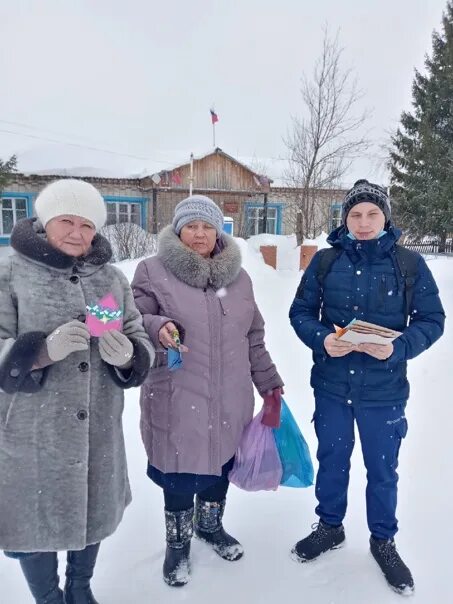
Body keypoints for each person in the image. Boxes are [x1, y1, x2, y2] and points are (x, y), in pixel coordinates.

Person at [0, 178, 154, 604]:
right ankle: (49, 598)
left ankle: (80, 588)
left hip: (97, 426)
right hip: (32, 429)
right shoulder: (11, 273)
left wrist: (129, 355)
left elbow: (134, 333)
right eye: (66, 220)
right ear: (45, 221)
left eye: (87, 225)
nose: (76, 232)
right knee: (36, 518)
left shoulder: (108, 279)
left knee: (91, 510)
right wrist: (39, 352)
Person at [289, 180, 445, 595]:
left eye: (371, 214)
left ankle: (383, 541)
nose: (362, 222)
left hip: (384, 392)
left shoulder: (409, 265)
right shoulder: (325, 262)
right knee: (333, 460)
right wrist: (322, 339)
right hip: (332, 387)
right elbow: (301, 311)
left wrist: (399, 348)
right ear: (344, 218)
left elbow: (432, 320)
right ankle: (330, 526)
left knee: (382, 471)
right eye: (355, 215)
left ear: (385, 217)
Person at [132, 194, 283, 587]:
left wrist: (269, 383)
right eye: (191, 226)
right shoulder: (152, 271)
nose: (199, 234)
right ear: (178, 230)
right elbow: (131, 318)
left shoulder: (240, 279)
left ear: (218, 230)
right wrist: (156, 326)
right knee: (180, 474)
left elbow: (254, 337)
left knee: (219, 467)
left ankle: (210, 527)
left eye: (207, 225)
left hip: (231, 396)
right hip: (177, 393)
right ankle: (178, 544)